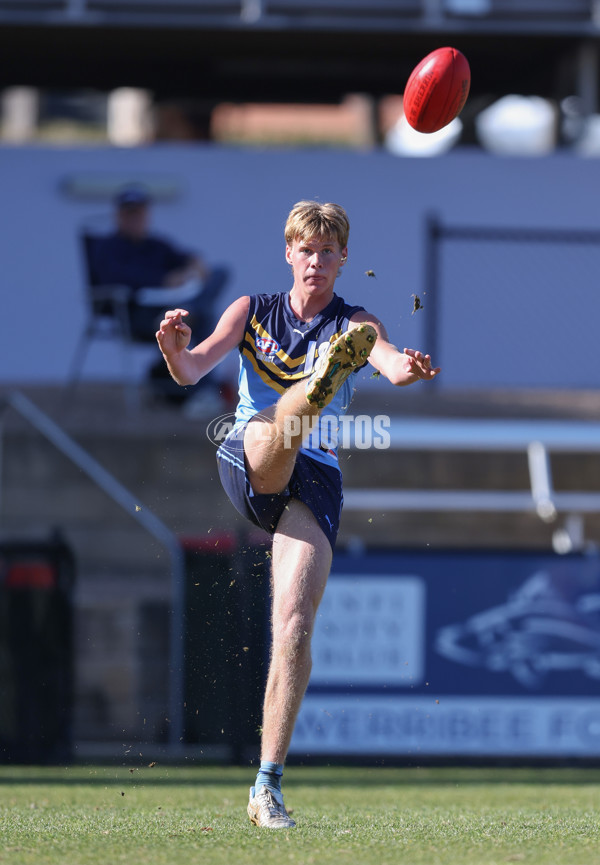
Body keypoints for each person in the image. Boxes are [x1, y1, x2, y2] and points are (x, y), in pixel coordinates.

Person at [155, 200, 440, 829]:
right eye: (305, 250)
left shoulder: (357, 323)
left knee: (294, 626)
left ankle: (266, 788)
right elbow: (192, 369)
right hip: (249, 454)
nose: (316, 260)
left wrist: (407, 370)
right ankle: (312, 388)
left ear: (343, 261)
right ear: (289, 253)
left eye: (328, 251)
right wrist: (175, 350)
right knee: (277, 427)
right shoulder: (251, 311)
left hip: (316, 481)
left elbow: (389, 363)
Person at [90, 184, 231, 408]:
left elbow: (185, 257)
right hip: (136, 315)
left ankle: (193, 311)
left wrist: (195, 265)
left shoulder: (156, 244)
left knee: (219, 273)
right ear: (119, 215)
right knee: (204, 317)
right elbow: (115, 278)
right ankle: (206, 390)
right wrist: (164, 279)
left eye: (140, 212)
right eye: (130, 213)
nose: (135, 218)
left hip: (171, 307)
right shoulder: (107, 247)